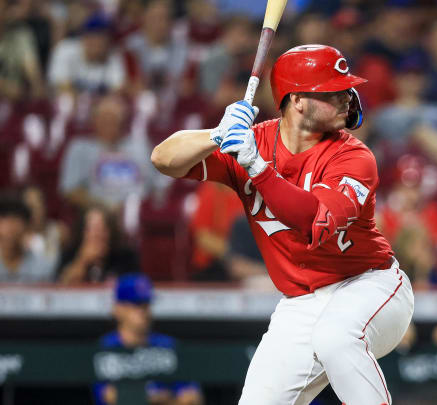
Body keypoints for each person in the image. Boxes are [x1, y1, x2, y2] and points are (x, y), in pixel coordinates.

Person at [151, 45, 414, 405]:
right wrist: (216, 133)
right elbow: (164, 159)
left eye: (345, 90)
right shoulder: (251, 141)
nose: (347, 99)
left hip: (369, 285)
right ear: (298, 101)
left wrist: (258, 168)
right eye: (332, 92)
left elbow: (313, 222)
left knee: (336, 336)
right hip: (301, 302)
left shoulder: (353, 157)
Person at [94, 273, 203, 405]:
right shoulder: (105, 347)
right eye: (137, 304)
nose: (144, 310)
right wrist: (160, 398)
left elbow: (192, 398)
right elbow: (110, 397)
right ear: (118, 308)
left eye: (147, 304)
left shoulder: (168, 345)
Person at [56, 207, 138, 284]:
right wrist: (82, 261)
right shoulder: (70, 253)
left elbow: (138, 287)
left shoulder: (125, 256)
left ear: (110, 232)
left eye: (102, 229)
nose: (97, 234)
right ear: (83, 232)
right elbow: (60, 287)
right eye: (92, 229)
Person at [0, 195, 54, 283]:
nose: (9, 229)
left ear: (27, 228)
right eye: (4, 220)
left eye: (15, 221)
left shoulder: (42, 266)